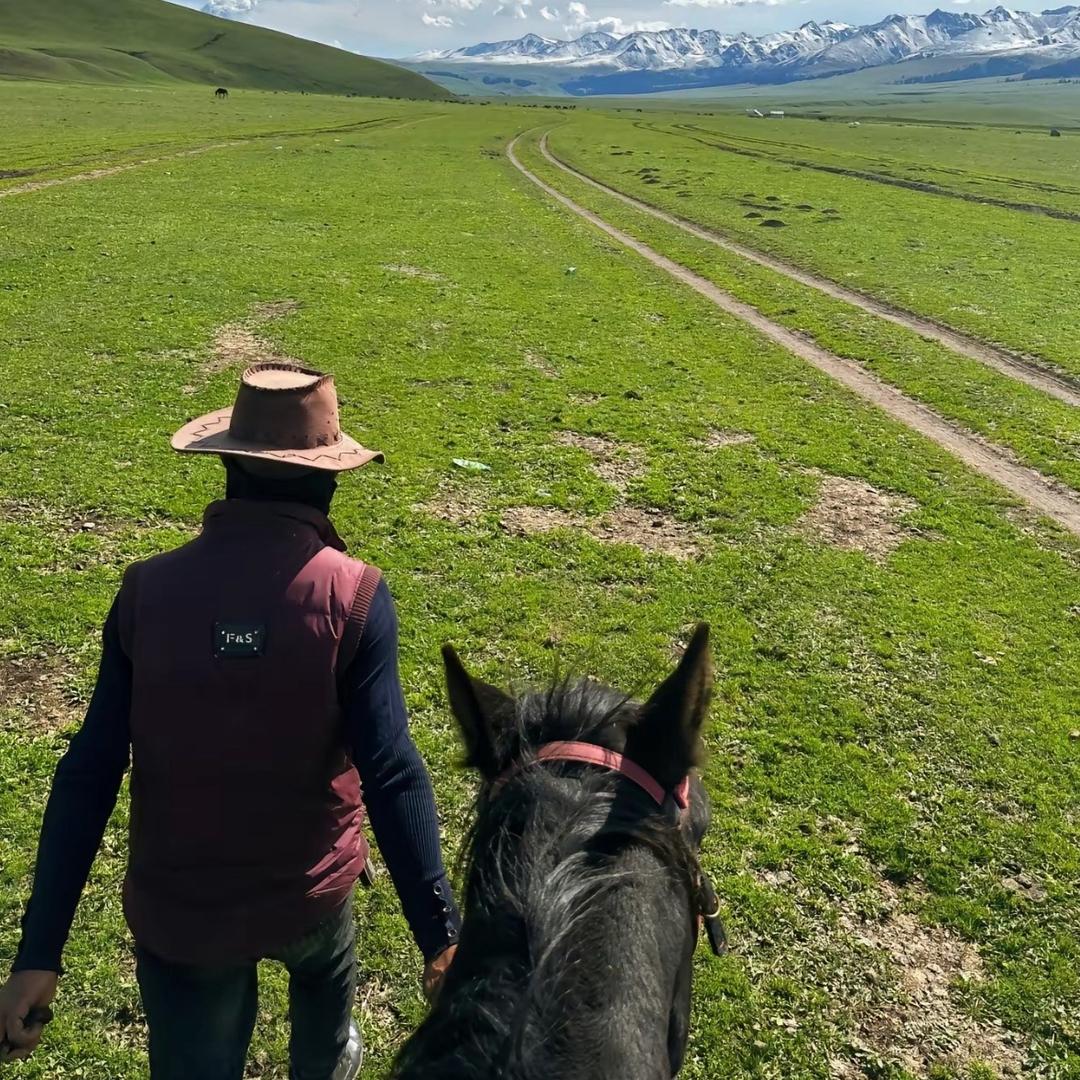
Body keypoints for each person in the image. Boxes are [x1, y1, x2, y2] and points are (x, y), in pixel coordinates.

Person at [0, 364, 460, 1079]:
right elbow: (392, 768)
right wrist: (441, 935)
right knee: (327, 1037)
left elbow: (89, 770)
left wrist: (39, 953)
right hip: (313, 892)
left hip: (184, 910)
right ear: (328, 477)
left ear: (229, 468)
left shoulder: (145, 590)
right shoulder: (357, 595)